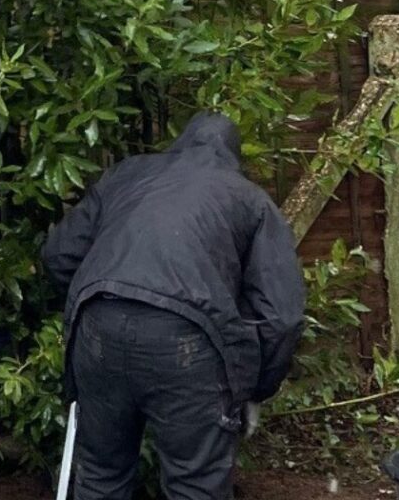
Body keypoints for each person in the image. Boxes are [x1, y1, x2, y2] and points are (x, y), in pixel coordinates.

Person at [41, 112, 304, 500]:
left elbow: (58, 255)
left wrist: (109, 309)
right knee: (194, 485)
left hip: (98, 327)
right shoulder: (248, 199)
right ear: (234, 156)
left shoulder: (127, 176)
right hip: (187, 342)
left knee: (101, 473)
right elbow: (282, 316)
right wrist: (250, 390)